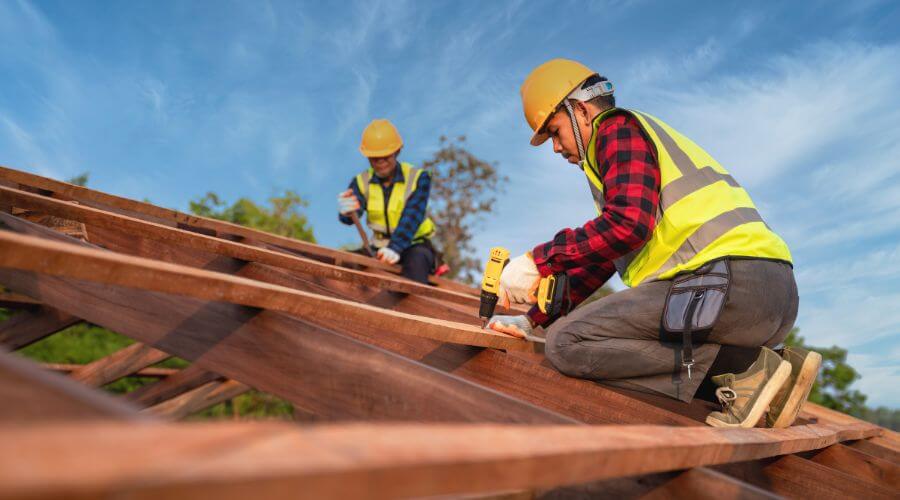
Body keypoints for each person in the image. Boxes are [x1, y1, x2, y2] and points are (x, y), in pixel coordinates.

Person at [487, 58, 821, 428]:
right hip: (771, 297)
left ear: (581, 110)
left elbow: (627, 225)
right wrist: (531, 320)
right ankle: (764, 373)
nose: (555, 148)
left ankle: (745, 372)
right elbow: (604, 258)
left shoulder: (615, 129)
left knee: (567, 345)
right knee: (565, 332)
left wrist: (539, 260)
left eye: (554, 131)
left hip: (724, 288)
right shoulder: (631, 154)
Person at [338, 119, 437, 284]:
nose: (380, 161)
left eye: (385, 155)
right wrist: (346, 212)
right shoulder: (361, 182)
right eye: (374, 157)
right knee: (344, 262)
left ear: (397, 151)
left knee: (416, 267)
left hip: (414, 246)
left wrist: (395, 247)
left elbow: (412, 216)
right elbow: (351, 216)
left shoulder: (418, 178)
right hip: (377, 248)